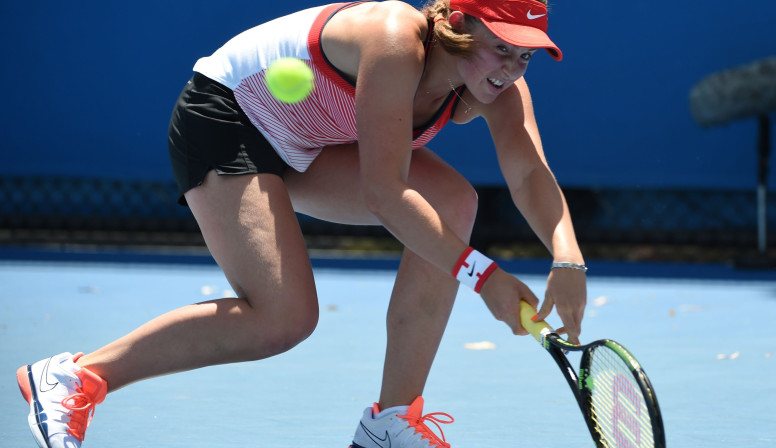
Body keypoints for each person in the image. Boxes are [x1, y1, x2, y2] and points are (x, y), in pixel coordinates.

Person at [16, 1, 587, 447]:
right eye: (502, 47)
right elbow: (385, 194)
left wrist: (568, 259)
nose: (513, 68)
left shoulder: (496, 90)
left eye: (525, 55)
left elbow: (530, 175)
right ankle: (77, 378)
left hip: (308, 141)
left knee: (454, 204)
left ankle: (389, 423)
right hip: (228, 118)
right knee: (283, 319)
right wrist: (483, 277)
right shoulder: (393, 39)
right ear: (458, 26)